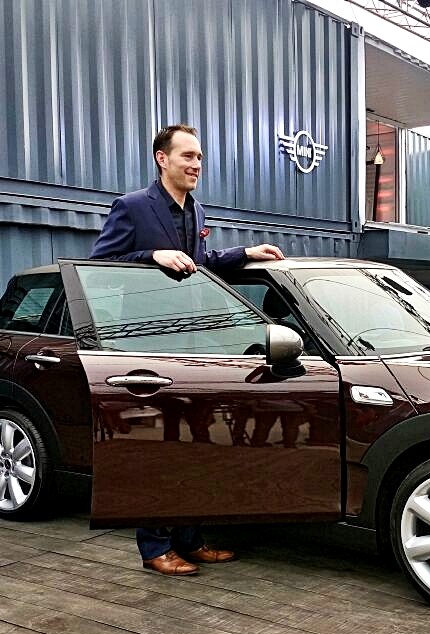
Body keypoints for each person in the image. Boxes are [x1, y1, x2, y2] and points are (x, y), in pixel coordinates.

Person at [90, 124, 286, 575]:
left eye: (199, 157)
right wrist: (151, 256)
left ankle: (189, 539)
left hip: (191, 345)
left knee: (196, 444)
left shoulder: (196, 210)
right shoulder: (132, 206)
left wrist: (245, 253)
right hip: (149, 346)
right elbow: (100, 264)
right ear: (162, 159)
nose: (197, 164)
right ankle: (155, 548)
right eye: (188, 156)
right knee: (160, 448)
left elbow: (199, 263)